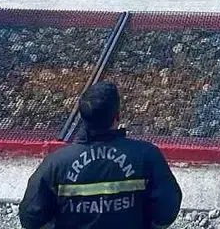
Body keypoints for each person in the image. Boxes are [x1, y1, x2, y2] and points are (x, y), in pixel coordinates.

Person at [19, 82, 182, 229]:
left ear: (82, 117)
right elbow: (168, 206)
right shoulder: (147, 155)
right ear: (117, 115)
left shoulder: (55, 164)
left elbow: (31, 215)